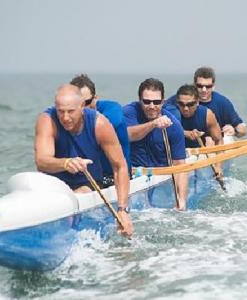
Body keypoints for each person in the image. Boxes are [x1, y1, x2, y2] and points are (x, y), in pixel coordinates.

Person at [34, 84, 133, 236]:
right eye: (60, 111)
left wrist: (122, 210)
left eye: (70, 111)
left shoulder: (100, 124)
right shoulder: (47, 120)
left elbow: (120, 167)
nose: (65, 117)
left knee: (80, 192)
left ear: (82, 106)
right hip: (55, 184)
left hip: (88, 183)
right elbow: (42, 161)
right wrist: (66, 163)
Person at [123, 78, 188, 210]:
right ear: (140, 100)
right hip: (134, 175)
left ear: (163, 102)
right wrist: (153, 124)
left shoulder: (174, 125)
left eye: (156, 102)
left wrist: (181, 200)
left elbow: (180, 167)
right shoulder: (129, 112)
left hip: (159, 177)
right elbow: (127, 135)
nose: (152, 106)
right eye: (146, 102)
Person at [69, 74, 132, 184]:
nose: (82, 109)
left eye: (86, 103)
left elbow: (112, 122)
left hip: (115, 177)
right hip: (87, 177)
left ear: (95, 98)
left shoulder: (112, 108)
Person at [167, 67, 247, 138]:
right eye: (200, 86)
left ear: (213, 86)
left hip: (214, 145)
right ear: (194, 85)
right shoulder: (180, 99)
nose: (204, 90)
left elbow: (242, 129)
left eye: (208, 86)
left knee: (227, 138)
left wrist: (235, 131)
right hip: (186, 145)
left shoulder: (222, 102)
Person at [175, 84, 224, 178]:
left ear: (197, 102)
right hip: (178, 154)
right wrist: (186, 133)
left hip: (198, 151)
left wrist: (218, 167)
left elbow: (219, 141)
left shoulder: (207, 115)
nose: (185, 108)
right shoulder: (170, 114)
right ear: (177, 103)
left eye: (190, 104)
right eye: (181, 104)